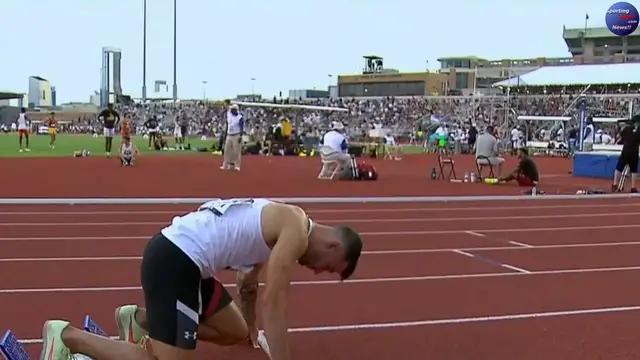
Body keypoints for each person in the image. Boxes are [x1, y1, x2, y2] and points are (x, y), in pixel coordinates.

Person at [39, 198, 362, 360]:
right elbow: (274, 300)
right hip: (176, 260)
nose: (319, 271)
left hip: (193, 266)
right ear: (333, 245)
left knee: (233, 331)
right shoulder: (295, 233)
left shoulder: (287, 220)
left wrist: (251, 330)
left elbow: (248, 284)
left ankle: (139, 321)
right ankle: (66, 337)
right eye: (329, 267)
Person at [612, 115, 640, 193]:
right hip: (634, 151)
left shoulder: (627, 128)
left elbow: (619, 137)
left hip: (626, 150)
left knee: (619, 168)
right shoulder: (639, 130)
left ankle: (615, 184)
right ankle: (633, 187)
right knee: (634, 170)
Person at [221, 104, 244, 171]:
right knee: (227, 150)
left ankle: (237, 165)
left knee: (236, 151)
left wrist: (240, 136)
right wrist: (225, 135)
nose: (231, 110)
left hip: (236, 135)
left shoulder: (240, 117)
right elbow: (227, 125)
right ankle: (225, 164)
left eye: (233, 109)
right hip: (229, 135)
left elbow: (241, 127)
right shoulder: (229, 115)